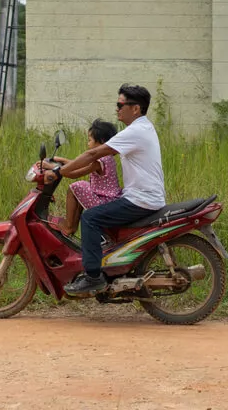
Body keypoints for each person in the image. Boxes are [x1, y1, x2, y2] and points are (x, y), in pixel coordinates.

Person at [45, 84, 166, 297]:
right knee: (96, 213)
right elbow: (91, 158)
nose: (117, 108)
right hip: (142, 196)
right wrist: (61, 166)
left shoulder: (135, 131)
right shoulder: (140, 129)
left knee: (91, 218)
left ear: (135, 109)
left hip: (141, 199)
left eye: (120, 104)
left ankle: (93, 277)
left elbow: (93, 155)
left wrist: (60, 172)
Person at [52, 118, 122, 237]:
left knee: (75, 187)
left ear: (101, 142)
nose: (88, 143)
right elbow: (78, 165)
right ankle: (73, 226)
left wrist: (56, 169)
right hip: (110, 200)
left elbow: (75, 174)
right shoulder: (108, 157)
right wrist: (61, 160)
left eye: (89, 140)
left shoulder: (100, 160)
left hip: (104, 203)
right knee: (83, 188)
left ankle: (69, 226)